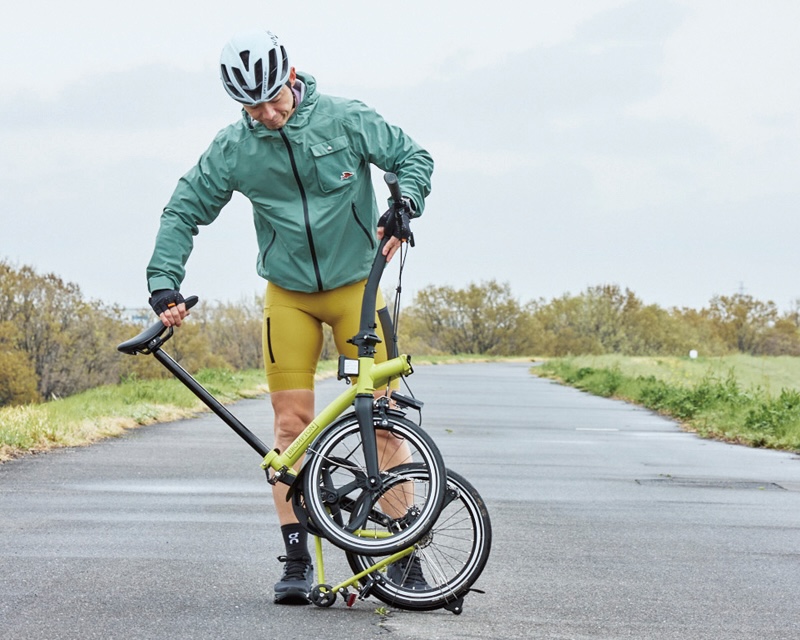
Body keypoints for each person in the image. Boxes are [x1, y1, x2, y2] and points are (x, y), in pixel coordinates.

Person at [145, 29, 433, 605]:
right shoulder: (234, 148)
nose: (269, 114)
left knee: (383, 419)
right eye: (253, 107)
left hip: (358, 288)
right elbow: (182, 209)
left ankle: (401, 553)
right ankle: (297, 558)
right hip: (290, 296)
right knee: (290, 428)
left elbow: (412, 157)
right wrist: (163, 281)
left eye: (274, 99)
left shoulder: (345, 119)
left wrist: (405, 201)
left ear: (292, 77)